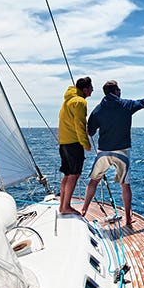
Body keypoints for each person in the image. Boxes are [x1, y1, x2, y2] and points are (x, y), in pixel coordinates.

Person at [81, 80, 144, 225]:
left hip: (104, 152)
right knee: (125, 185)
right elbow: (143, 102)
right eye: (119, 90)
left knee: (94, 181)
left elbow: (91, 131)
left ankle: (83, 211)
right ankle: (127, 218)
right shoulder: (126, 105)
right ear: (115, 91)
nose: (120, 92)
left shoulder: (98, 110)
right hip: (122, 151)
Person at [58, 76, 93, 215]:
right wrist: (85, 143)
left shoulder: (67, 100)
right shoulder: (80, 102)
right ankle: (66, 206)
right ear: (85, 89)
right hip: (74, 143)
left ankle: (62, 205)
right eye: (91, 88)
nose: (92, 90)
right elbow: (80, 125)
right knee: (74, 174)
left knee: (67, 175)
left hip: (64, 143)